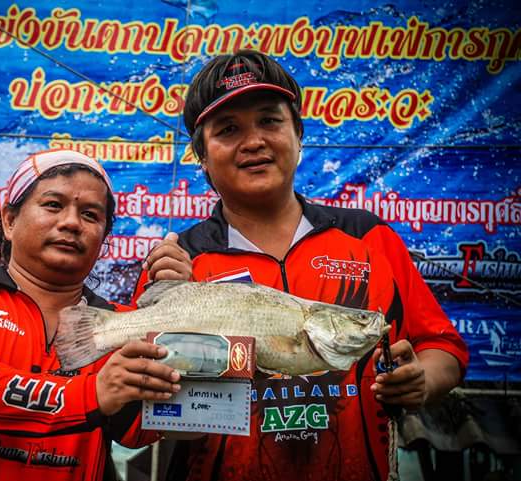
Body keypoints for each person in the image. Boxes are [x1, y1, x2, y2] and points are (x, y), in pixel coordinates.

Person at [137, 50, 468, 481]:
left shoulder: (368, 239)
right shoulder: (179, 259)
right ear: (202, 156)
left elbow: (443, 348)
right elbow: (145, 406)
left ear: (299, 135)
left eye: (270, 121)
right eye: (229, 129)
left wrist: (420, 379)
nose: (253, 141)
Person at [0, 149, 181, 481]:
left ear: (103, 240)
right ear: (9, 221)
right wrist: (93, 394)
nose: (70, 222)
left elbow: (162, 425)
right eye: (53, 205)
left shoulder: (122, 324)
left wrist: (180, 312)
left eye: (91, 215)